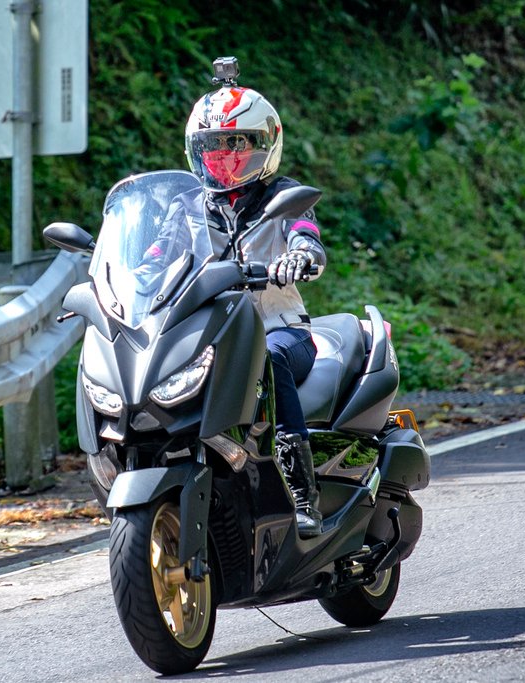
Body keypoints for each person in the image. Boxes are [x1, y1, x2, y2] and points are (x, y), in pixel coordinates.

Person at [153, 61, 327, 537]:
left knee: (267, 360)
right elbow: (154, 257)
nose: (222, 155)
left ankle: (300, 489)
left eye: (236, 142)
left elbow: (306, 234)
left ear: (264, 144)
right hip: (208, 335)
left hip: (280, 329)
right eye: (211, 144)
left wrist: (301, 254)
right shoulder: (186, 206)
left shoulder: (284, 196)